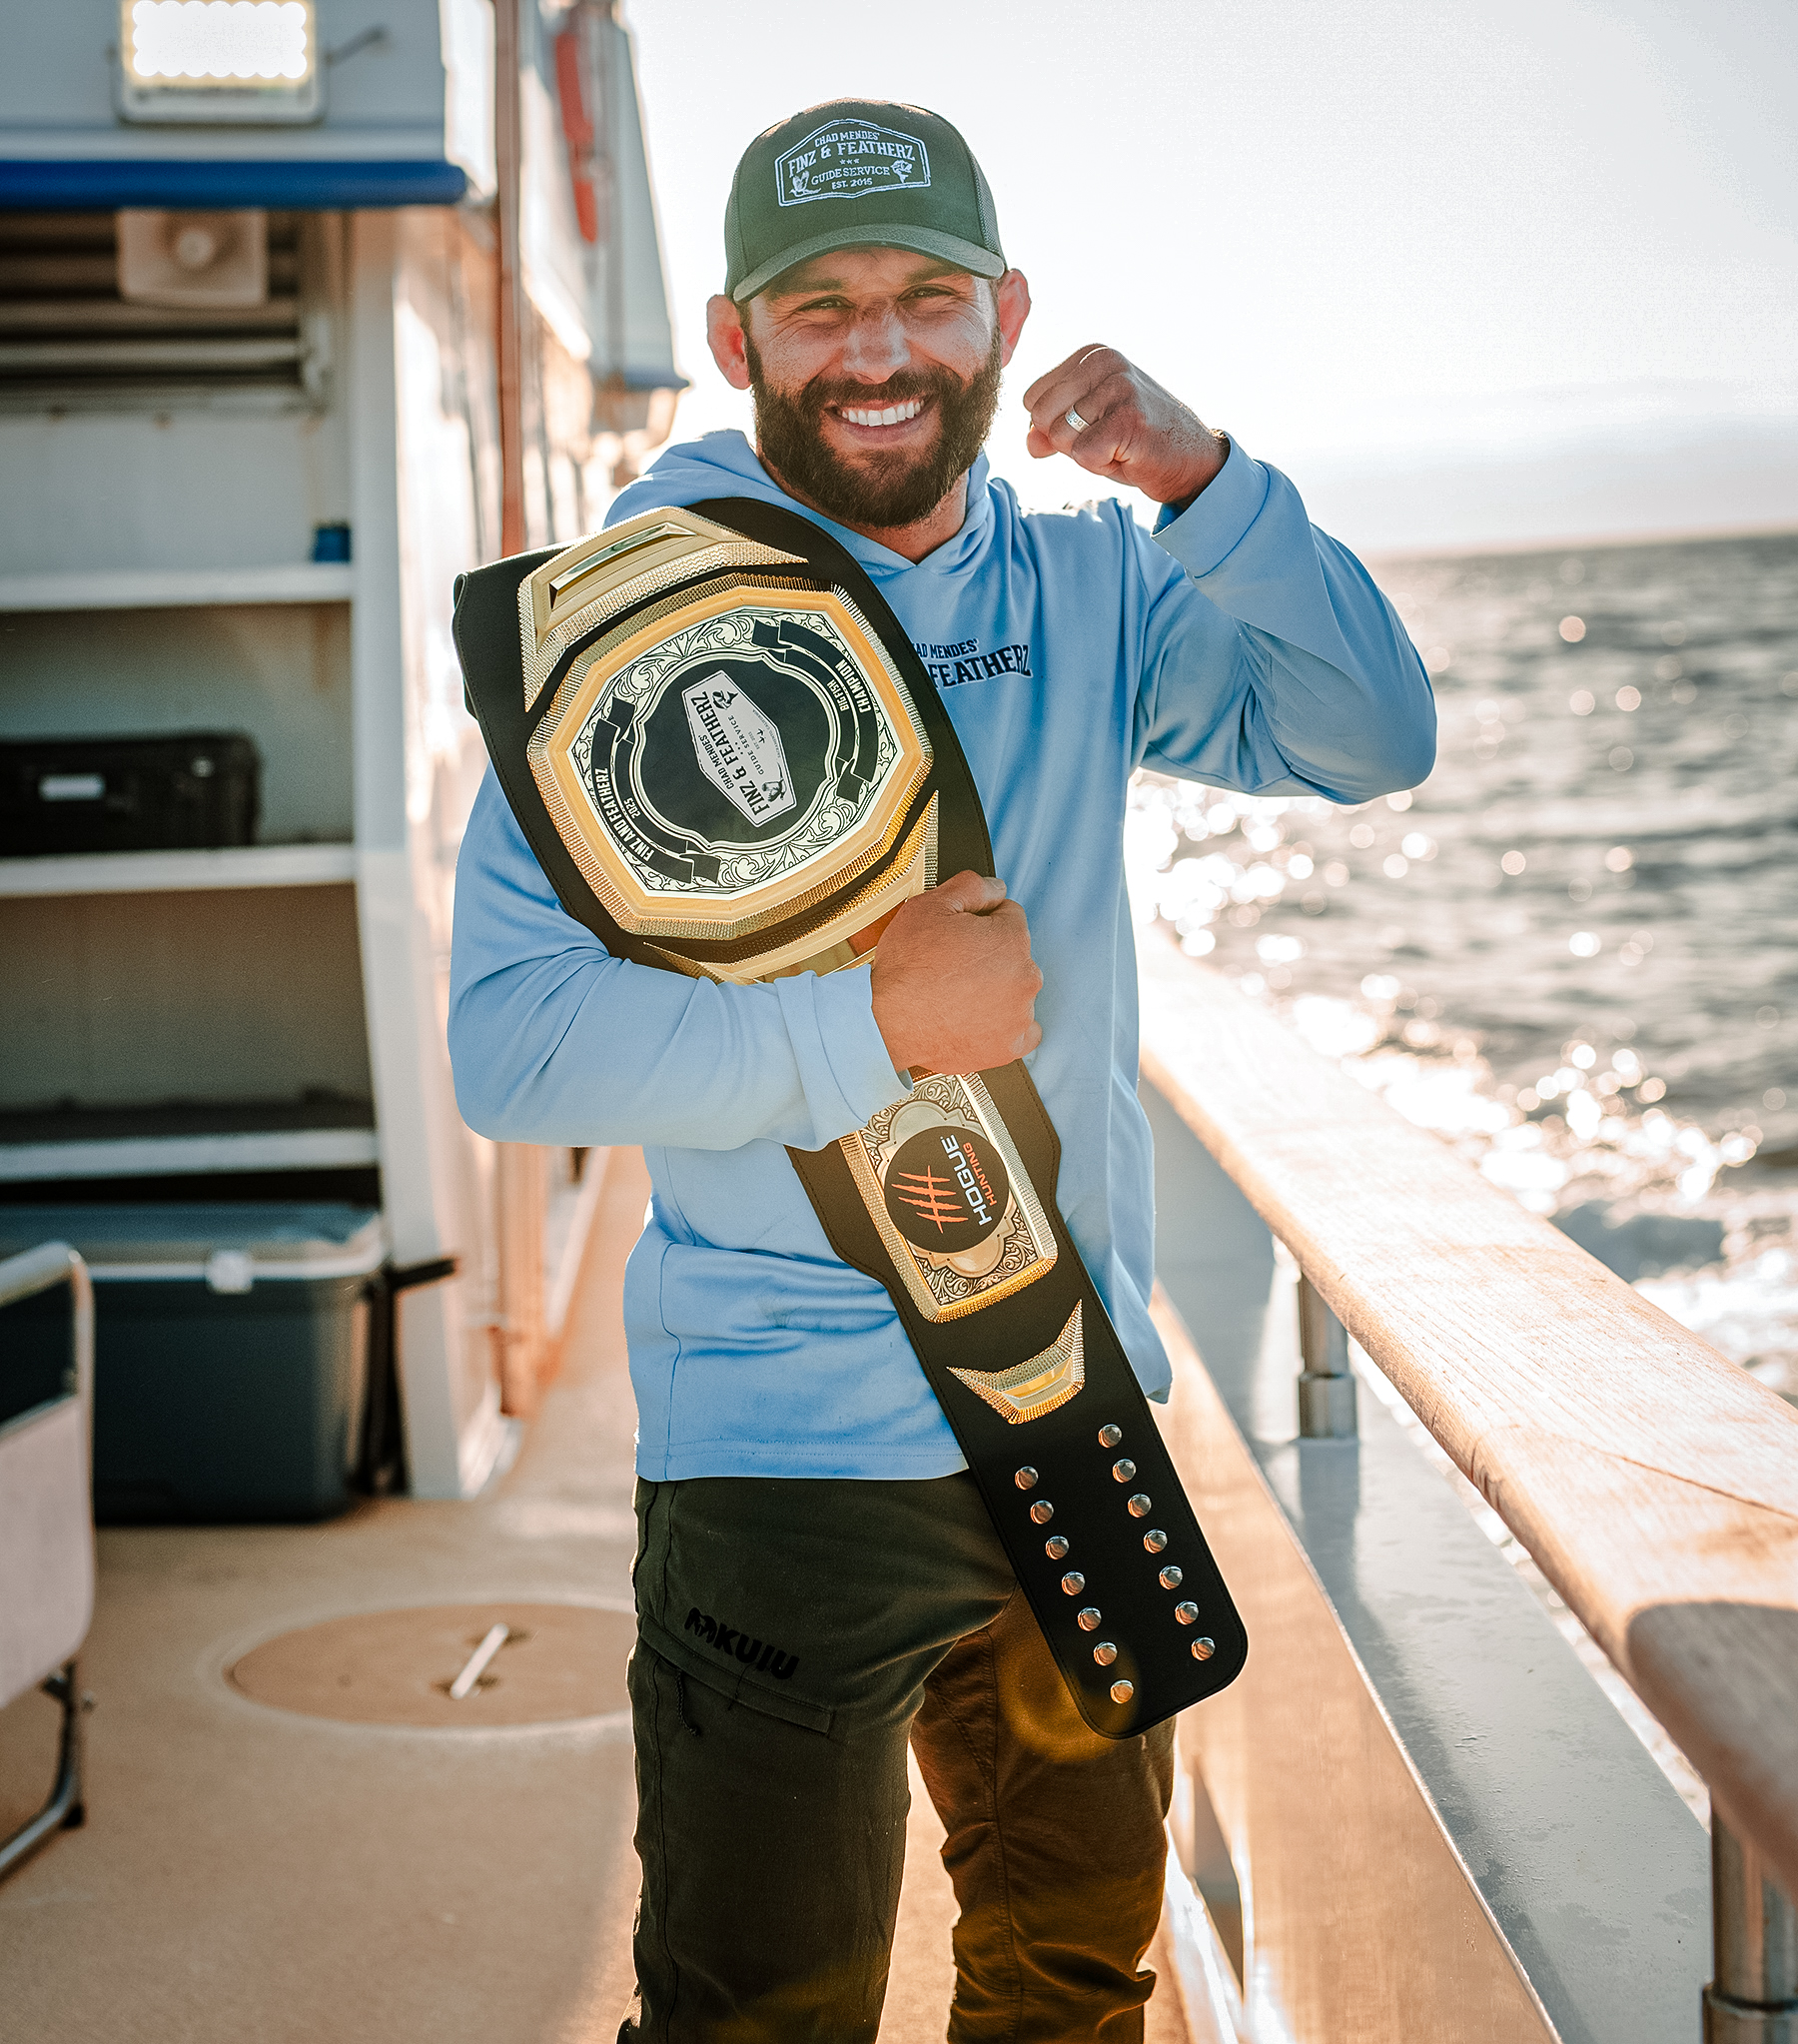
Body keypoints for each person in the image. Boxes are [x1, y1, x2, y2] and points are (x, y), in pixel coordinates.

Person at [450, 97, 1434, 2044]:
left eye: (925, 298)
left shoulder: (1097, 582)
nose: (878, 351)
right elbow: (513, 1042)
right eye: (821, 308)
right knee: (760, 2010)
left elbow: (1369, 737)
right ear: (737, 340)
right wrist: (875, 1029)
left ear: (1007, 314)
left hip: (1072, 1403)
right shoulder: (619, 631)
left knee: (1076, 1980)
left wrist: (1206, 484)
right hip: (783, 1458)